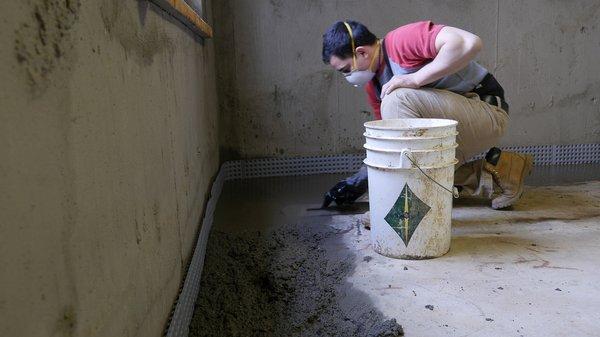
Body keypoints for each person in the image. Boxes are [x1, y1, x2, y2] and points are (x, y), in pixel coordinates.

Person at [321, 20, 533, 210]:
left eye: (346, 69)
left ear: (361, 52)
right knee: (423, 170)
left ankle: (410, 206)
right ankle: (503, 170)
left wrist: (415, 79)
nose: (348, 76)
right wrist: (357, 181)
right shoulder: (374, 87)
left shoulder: (399, 42)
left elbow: (470, 42)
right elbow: (391, 146)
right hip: (455, 125)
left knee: (397, 99)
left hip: (487, 112)